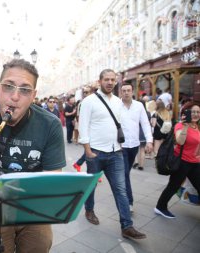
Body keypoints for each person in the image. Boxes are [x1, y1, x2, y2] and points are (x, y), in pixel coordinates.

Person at [0, 59, 66, 253]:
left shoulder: (50, 125)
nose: (15, 97)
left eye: (25, 90)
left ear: (34, 96)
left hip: (33, 205)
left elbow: (53, 175)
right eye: (8, 87)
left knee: (40, 245)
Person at [79, 69, 146, 240]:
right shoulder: (89, 101)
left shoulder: (118, 102)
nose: (110, 82)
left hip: (116, 152)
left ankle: (127, 226)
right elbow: (83, 126)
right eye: (106, 79)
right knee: (91, 186)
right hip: (95, 152)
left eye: (112, 80)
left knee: (121, 190)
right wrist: (87, 150)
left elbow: (121, 124)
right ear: (100, 81)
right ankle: (89, 210)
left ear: (116, 82)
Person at [155, 102, 200, 218]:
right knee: (173, 186)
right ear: (186, 113)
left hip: (195, 163)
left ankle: (160, 206)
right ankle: (160, 207)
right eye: (193, 112)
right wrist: (185, 126)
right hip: (182, 163)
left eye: (198, 112)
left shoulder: (197, 127)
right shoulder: (180, 125)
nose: (195, 114)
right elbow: (180, 141)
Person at [120, 83, 153, 212]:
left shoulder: (139, 106)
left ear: (132, 92)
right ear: (121, 92)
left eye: (128, 90)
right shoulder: (116, 105)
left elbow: (145, 123)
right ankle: (129, 202)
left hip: (134, 145)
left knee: (125, 173)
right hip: (120, 146)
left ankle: (121, 192)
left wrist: (149, 141)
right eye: (124, 91)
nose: (126, 93)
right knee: (124, 174)